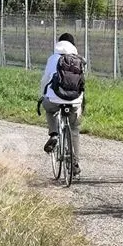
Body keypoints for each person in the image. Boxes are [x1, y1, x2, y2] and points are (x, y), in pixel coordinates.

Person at [39, 33, 85, 177]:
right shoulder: (80, 60)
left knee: (50, 110)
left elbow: (45, 79)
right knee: (74, 129)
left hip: (54, 98)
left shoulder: (53, 58)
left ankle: (54, 134)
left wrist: (43, 94)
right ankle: (74, 164)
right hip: (75, 100)